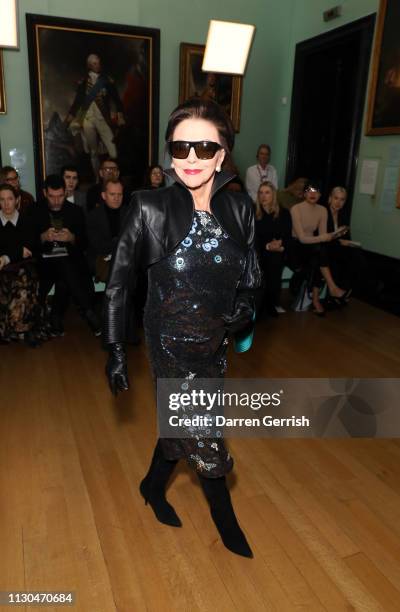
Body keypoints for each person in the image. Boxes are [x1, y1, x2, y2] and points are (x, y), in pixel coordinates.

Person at [103, 98, 261, 558]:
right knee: (203, 430)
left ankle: (152, 486)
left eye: (202, 147)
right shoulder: (147, 207)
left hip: (214, 342)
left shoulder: (241, 210)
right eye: (180, 146)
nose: (190, 157)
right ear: (170, 153)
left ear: (221, 154)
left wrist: (246, 310)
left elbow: (252, 280)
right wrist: (114, 348)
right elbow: (118, 284)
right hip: (168, 340)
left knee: (182, 425)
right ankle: (224, 518)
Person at [30, 174, 101, 336]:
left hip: (71, 262)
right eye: (52, 196)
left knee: (65, 268)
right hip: (44, 264)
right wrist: (42, 237)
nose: (56, 201)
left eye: (60, 196)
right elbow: (28, 242)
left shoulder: (75, 211)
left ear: (66, 193)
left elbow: (84, 243)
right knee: (65, 268)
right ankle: (88, 312)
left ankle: (56, 319)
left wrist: (72, 238)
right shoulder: (35, 210)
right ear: (44, 193)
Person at [289, 182, 349, 316]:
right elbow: (303, 238)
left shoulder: (322, 210)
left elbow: (323, 236)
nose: (312, 194)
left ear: (320, 195)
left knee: (320, 254)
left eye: (316, 191)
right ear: (304, 193)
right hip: (296, 246)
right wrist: (324, 238)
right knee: (320, 253)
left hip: (313, 247)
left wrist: (334, 235)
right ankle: (330, 289)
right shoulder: (296, 208)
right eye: (309, 191)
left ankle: (319, 298)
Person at [64, 53, 125, 177]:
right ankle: (98, 178)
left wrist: (120, 116)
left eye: (98, 63)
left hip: (103, 119)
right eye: (94, 64)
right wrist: (67, 120)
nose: (97, 66)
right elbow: (77, 103)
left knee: (113, 152)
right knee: (93, 152)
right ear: (89, 66)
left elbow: (117, 99)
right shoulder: (83, 82)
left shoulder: (107, 80)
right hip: (87, 120)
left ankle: (112, 176)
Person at [0, 184, 44, 346]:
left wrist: (5, 257)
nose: (6, 204)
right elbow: (22, 249)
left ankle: (22, 329)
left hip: (24, 266)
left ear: (17, 200)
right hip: (3, 269)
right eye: (2, 200)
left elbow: (30, 248)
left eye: (10, 199)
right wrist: (17, 251)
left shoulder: (27, 220)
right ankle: (18, 329)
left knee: (24, 280)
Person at [255, 181, 291, 315]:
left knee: (275, 259)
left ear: (273, 195)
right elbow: (253, 237)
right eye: (261, 193)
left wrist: (280, 244)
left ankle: (272, 302)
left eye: (267, 192)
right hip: (259, 250)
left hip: (278, 250)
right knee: (266, 260)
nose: (263, 196)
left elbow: (288, 234)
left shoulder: (284, 213)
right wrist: (268, 246)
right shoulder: (253, 212)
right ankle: (263, 304)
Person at [86, 178, 127, 280]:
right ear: (104, 195)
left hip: (125, 258)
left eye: (119, 194)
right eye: (112, 194)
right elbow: (98, 245)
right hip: (101, 258)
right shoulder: (93, 216)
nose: (116, 198)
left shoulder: (129, 213)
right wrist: (119, 242)